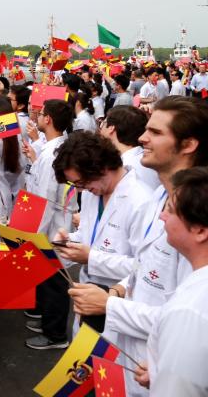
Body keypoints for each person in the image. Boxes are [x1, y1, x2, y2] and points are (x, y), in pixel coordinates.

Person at [68, 97, 208, 395]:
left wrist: (109, 304)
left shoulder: (195, 219)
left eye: (155, 133)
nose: (142, 138)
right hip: (139, 361)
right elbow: (143, 264)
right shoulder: (160, 198)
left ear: (189, 145)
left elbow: (190, 317)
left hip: (170, 370)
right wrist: (118, 289)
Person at [51, 132, 151, 333]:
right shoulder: (92, 193)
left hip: (119, 304)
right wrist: (69, 240)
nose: (81, 190)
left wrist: (91, 257)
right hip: (87, 298)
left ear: (102, 168)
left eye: (81, 183)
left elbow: (144, 267)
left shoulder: (141, 202)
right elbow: (90, 235)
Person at [136, 167, 208, 395]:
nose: (162, 216)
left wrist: (166, 380)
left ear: (199, 230)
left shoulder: (188, 312)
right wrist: (162, 372)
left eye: (171, 210)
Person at [22, 99, 73, 350]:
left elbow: (44, 200)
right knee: (49, 281)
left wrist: (33, 236)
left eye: (41, 114)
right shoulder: (55, 148)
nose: (37, 117)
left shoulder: (53, 153)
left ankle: (55, 335)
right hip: (51, 225)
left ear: (48, 119)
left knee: (55, 284)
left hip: (50, 228)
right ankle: (47, 321)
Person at [101, 105, 162, 193]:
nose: (101, 128)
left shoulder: (124, 168)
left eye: (103, 123)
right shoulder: (147, 159)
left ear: (111, 128)